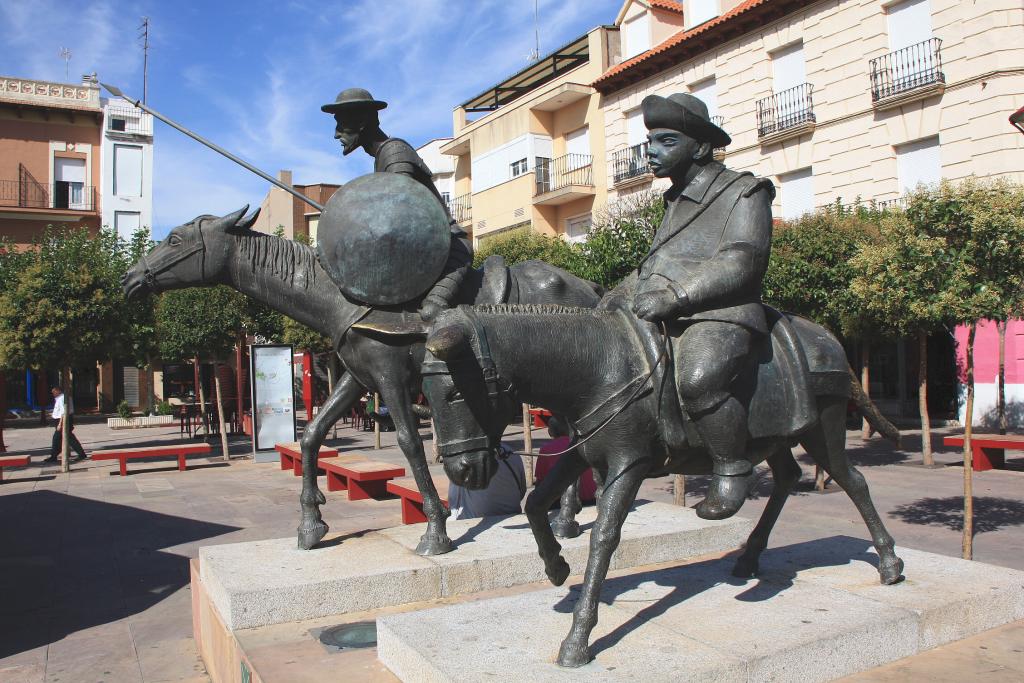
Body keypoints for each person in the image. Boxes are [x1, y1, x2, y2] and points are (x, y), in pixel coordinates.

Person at [631, 93, 774, 520]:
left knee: (699, 379)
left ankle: (732, 468)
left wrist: (675, 296)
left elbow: (743, 259)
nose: (652, 152)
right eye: (649, 142)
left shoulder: (746, 192)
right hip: (666, 309)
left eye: (666, 141)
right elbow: (657, 263)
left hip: (721, 312)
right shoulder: (673, 201)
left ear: (700, 146)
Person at [321, 88, 473, 320]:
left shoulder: (395, 154)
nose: (336, 134)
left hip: (450, 253)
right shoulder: (383, 157)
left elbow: (399, 222)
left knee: (432, 314)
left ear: (361, 122)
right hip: (424, 256)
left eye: (341, 123)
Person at [447, 443, 526, 520]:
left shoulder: (462, 455)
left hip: (473, 521)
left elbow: (454, 501)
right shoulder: (512, 453)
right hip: (512, 516)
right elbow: (522, 491)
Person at [45, 386, 88, 464]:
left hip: (63, 420)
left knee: (62, 438)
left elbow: (63, 412)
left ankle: (81, 454)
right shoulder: (64, 397)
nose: (53, 393)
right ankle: (54, 455)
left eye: (54, 392)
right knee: (64, 438)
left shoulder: (62, 398)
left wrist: (60, 424)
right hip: (64, 419)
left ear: (58, 391)